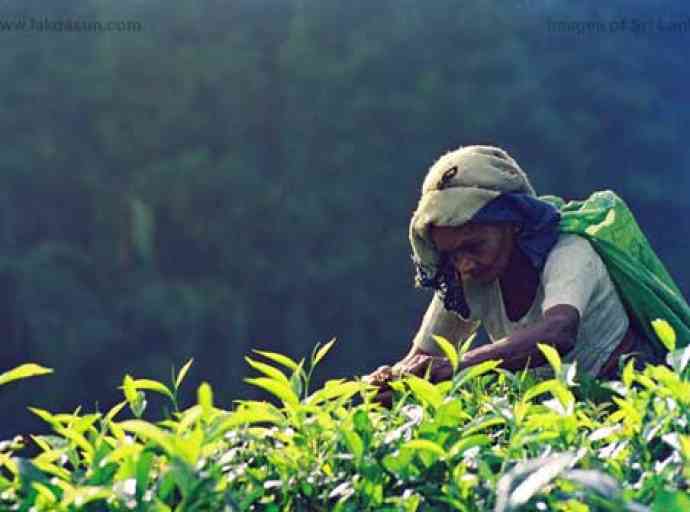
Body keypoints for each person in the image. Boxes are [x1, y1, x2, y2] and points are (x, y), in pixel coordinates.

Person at [365, 145, 666, 407]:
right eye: (453, 255)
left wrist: (454, 367)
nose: (465, 265)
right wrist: (393, 380)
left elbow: (558, 332)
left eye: (474, 246)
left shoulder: (571, 252)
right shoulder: (467, 281)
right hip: (555, 413)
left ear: (514, 223)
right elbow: (423, 357)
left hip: (629, 395)